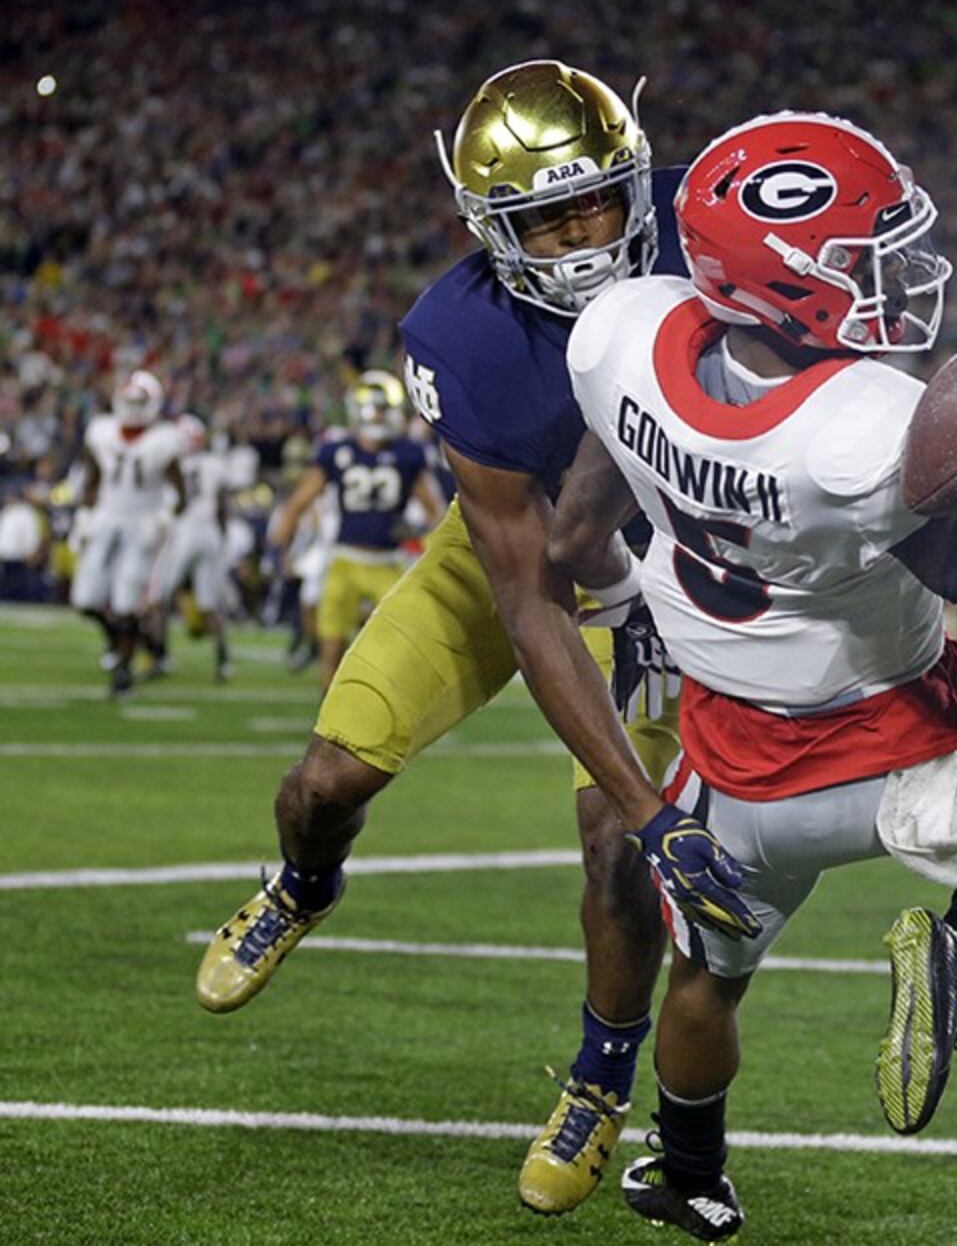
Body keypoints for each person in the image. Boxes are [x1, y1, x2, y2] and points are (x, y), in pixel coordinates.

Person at [553, 111, 957, 1240]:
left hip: (723, 768)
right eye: (862, 259)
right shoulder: (864, 436)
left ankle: (688, 1173)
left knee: (709, 983)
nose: (898, 276)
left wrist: (627, 609)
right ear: (784, 284)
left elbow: (579, 529)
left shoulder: (618, 337)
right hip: (879, 747)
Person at [194, 59, 699, 1217]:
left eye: (596, 201)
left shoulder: (705, 223)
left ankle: (597, 1080)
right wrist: (646, 796)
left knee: (620, 859)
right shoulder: (457, 335)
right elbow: (531, 596)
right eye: (544, 216)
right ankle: (304, 885)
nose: (581, 236)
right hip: (514, 560)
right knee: (323, 780)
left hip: (680, 565)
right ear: (487, 227)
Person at [266, 370, 444, 691]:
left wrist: (416, 529)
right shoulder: (337, 452)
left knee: (395, 650)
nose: (380, 415)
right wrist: (279, 547)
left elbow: (436, 513)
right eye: (375, 407)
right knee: (331, 649)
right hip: (344, 562)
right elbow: (298, 502)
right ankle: (328, 722)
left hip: (388, 563)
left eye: (384, 408)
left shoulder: (408, 455)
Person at [69, 370, 187, 696]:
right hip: (107, 517)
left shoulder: (164, 438)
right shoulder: (102, 431)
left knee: (126, 601)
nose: (133, 408)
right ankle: (124, 642)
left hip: (142, 522)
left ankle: (123, 670)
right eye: (129, 401)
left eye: (140, 402)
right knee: (85, 598)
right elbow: (92, 478)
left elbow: (180, 492)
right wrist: (84, 515)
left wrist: (164, 516)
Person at [148, 412, 233, 682]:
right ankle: (224, 661)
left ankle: (160, 657)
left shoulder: (175, 466)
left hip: (183, 532)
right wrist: (222, 539)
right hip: (209, 533)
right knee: (209, 603)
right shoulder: (214, 465)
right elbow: (222, 506)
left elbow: (173, 504)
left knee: (159, 598)